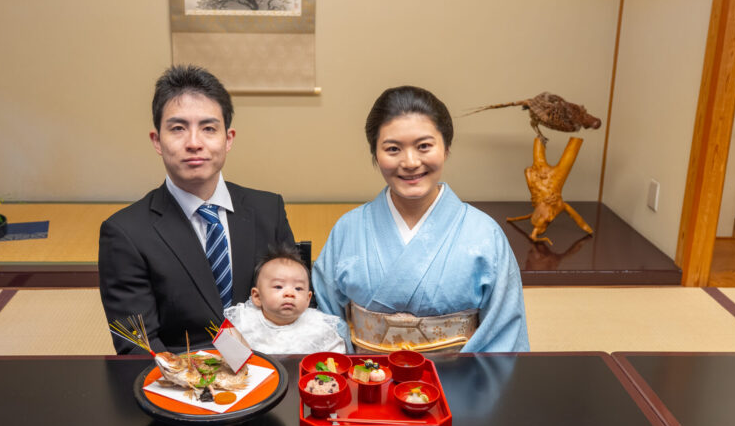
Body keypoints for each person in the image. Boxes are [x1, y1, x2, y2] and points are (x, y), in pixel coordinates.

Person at [312, 85, 529, 353]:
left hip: (460, 388)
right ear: (375, 155)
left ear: (446, 147)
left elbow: (504, 336)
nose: (411, 162)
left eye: (424, 146)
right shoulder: (348, 229)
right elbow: (325, 323)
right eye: (393, 149)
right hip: (365, 388)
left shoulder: (484, 234)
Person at [99, 64, 295, 354]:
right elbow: (137, 345)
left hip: (272, 373)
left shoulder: (269, 209)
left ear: (228, 139)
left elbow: (297, 301)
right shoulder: (124, 233)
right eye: (178, 128)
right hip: (181, 384)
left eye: (208, 128)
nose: (194, 143)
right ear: (157, 140)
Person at [224, 243, 350, 355]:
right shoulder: (244, 322)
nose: (290, 293)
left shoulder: (319, 326)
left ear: (308, 299)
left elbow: (336, 357)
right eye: (278, 286)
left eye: (298, 288)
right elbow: (227, 357)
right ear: (257, 297)